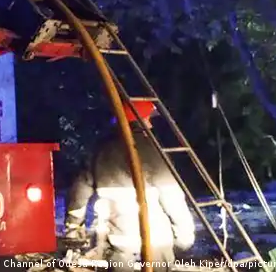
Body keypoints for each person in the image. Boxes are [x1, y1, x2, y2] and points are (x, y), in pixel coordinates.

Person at [63, 101, 196, 272]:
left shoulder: (101, 150)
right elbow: (172, 196)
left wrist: (73, 227)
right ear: (141, 121)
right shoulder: (153, 151)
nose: (150, 124)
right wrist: (185, 236)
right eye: (148, 119)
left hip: (115, 243)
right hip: (155, 241)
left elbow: (79, 192)